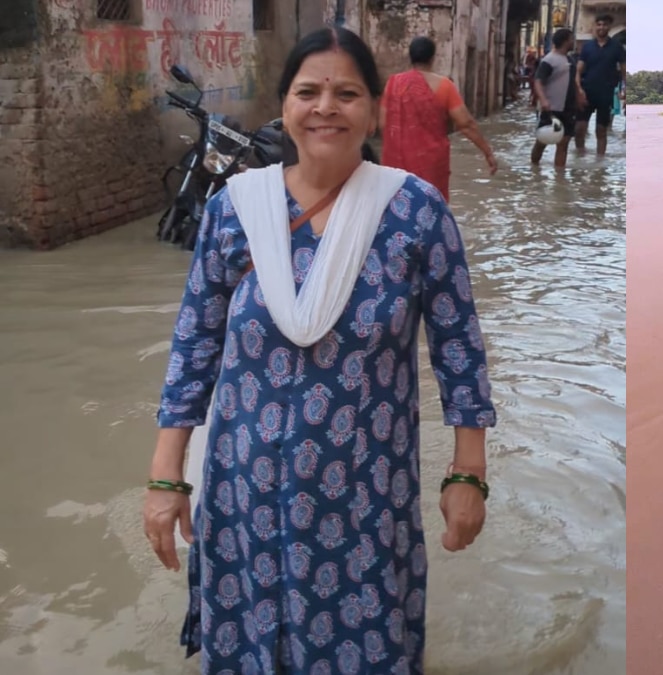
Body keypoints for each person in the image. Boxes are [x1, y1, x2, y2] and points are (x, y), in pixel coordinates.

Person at [142, 26, 497, 673]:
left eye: (346, 92)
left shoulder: (415, 213)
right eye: (308, 91)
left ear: (373, 108)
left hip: (362, 504)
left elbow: (459, 350)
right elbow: (193, 349)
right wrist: (167, 478)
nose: (326, 107)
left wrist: (467, 472)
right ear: (284, 106)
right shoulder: (234, 212)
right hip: (244, 497)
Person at [380, 36, 497, 202]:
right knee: (431, 211)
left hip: (396, 168)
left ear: (410, 57)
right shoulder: (444, 86)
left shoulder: (393, 85)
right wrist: (488, 152)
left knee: (398, 211)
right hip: (431, 167)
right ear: (432, 58)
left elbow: (383, 124)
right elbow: (466, 124)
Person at [573, 14, 625, 155]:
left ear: (609, 27)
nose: (601, 27)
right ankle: (580, 156)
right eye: (599, 24)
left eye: (604, 25)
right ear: (595, 26)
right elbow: (578, 70)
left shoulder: (617, 47)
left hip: (606, 93)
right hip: (587, 92)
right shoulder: (587, 47)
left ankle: (600, 162)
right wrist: (578, 89)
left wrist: (626, 91)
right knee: (579, 128)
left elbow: (624, 70)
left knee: (601, 130)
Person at [531, 28, 576, 168]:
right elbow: (538, 81)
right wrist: (543, 100)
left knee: (564, 143)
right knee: (542, 141)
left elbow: (573, 81)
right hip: (551, 108)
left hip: (568, 108)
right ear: (566, 41)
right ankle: (534, 167)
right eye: (572, 39)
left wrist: (579, 94)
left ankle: (559, 177)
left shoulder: (570, 60)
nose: (573, 42)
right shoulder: (549, 60)